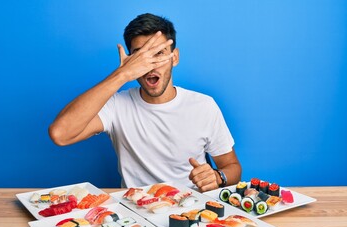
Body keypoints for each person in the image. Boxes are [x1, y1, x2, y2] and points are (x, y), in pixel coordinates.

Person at [49, 13, 242, 192]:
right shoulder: (117, 106)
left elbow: (232, 167)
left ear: (174, 58)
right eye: (140, 56)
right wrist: (122, 74)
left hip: (190, 211)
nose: (149, 64)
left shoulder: (203, 106)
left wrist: (218, 177)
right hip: (136, 214)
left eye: (158, 53)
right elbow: (60, 134)